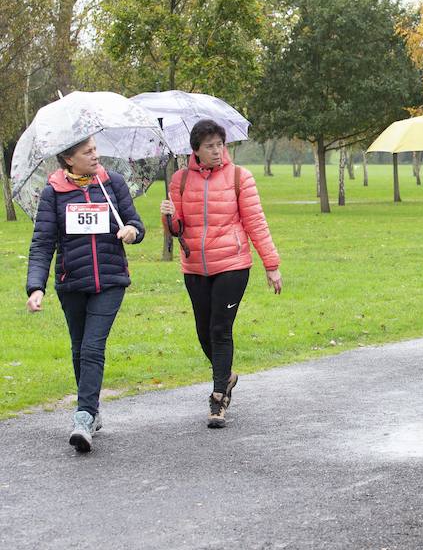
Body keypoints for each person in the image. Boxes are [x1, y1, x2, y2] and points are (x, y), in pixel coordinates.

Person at [160, 119, 282, 428]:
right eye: (210, 146)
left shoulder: (240, 177)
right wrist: (169, 217)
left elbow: (256, 222)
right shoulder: (180, 180)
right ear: (196, 150)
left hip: (232, 264)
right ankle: (226, 376)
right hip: (195, 267)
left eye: (220, 145)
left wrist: (271, 265)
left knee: (220, 329)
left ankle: (218, 398)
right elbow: (177, 230)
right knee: (203, 332)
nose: (217, 151)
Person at [26, 136, 144, 452]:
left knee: (92, 346)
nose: (95, 155)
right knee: (79, 348)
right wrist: (35, 287)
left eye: (95, 149)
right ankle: (92, 408)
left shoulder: (112, 183)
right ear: (69, 159)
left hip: (111, 279)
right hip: (72, 283)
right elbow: (42, 243)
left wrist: (132, 232)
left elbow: (136, 223)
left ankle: (83, 417)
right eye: (87, 152)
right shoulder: (53, 193)